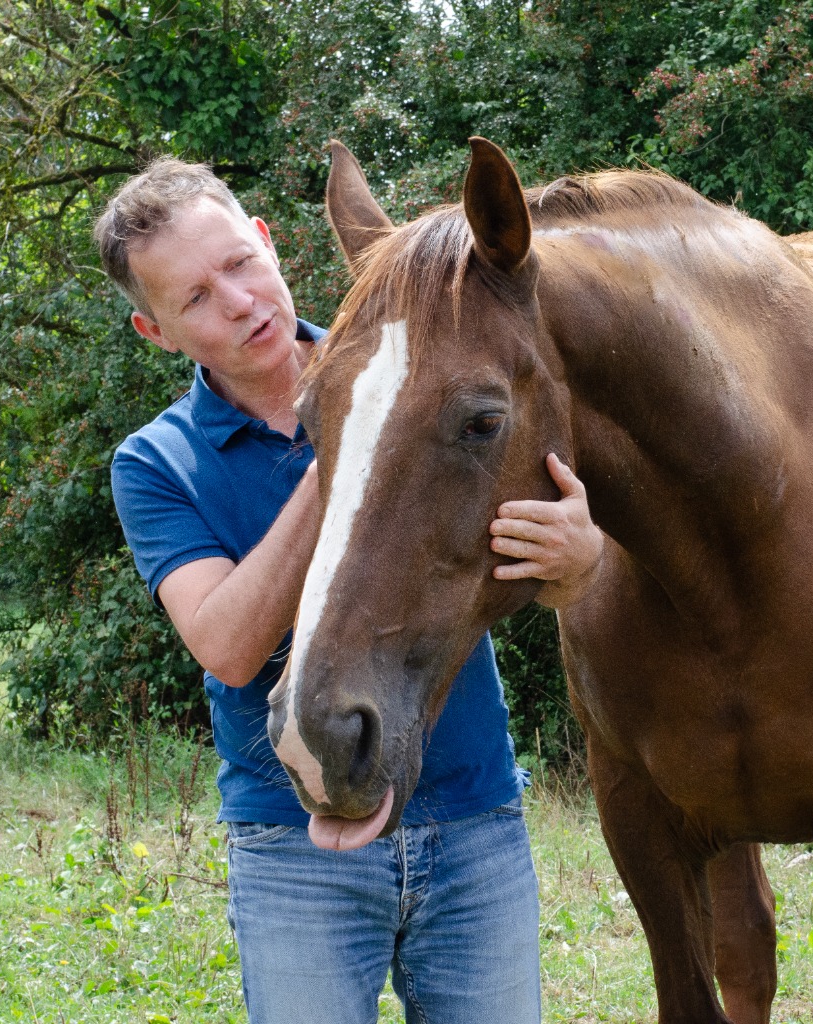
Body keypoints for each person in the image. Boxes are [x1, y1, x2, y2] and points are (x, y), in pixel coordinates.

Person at [95, 157, 603, 1024]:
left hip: (473, 820)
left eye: (240, 264)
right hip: (294, 848)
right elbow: (225, 646)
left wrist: (580, 560)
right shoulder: (156, 464)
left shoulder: (427, 369)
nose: (240, 302)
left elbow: (519, 571)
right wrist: (348, 438)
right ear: (157, 331)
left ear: (267, 242)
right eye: (196, 297)